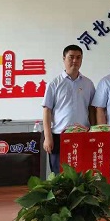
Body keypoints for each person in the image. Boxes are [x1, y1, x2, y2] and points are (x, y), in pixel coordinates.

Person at [42, 45, 95, 174]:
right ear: (64, 59)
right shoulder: (54, 83)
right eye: (71, 57)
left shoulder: (88, 83)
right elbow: (47, 111)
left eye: (78, 57)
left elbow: (92, 109)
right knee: (59, 174)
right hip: (59, 136)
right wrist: (47, 137)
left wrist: (94, 132)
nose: (75, 61)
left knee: (83, 174)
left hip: (83, 135)